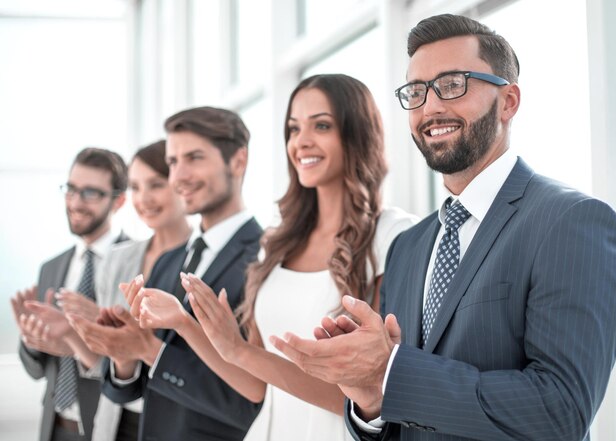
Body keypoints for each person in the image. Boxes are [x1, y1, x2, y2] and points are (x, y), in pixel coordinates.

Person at [271, 14, 616, 441]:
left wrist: (391, 371)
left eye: (453, 85)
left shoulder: (572, 222)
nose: (431, 107)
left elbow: (560, 412)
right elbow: (400, 421)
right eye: (417, 92)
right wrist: (369, 395)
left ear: (508, 101)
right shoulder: (409, 246)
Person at [132, 74, 417, 441]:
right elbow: (256, 386)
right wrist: (187, 325)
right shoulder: (278, 242)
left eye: (322, 125)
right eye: (293, 129)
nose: (302, 142)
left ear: (357, 134)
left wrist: (239, 349)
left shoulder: (393, 236)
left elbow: (364, 397)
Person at [68, 106, 263, 441]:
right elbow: (137, 391)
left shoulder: (264, 259)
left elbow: (255, 400)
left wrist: (149, 349)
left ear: (238, 161)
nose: (180, 176)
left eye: (195, 158)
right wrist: (124, 355)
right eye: (173, 162)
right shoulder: (170, 261)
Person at [62, 140, 191, 441]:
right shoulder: (119, 258)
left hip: (176, 425)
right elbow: (104, 365)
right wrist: (91, 335)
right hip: (115, 423)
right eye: (135, 187)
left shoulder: (202, 259)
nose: (143, 198)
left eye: (156, 184)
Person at [10, 147, 128, 441]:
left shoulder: (136, 264)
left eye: (90, 193)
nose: (75, 202)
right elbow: (37, 370)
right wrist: (32, 340)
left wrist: (79, 338)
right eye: (71, 189)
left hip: (111, 427)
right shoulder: (51, 268)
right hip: (55, 427)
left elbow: (134, 365)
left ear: (119, 200)